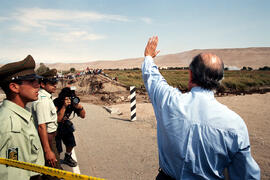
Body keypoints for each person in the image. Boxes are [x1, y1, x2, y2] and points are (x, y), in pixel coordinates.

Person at [142, 36, 260, 180]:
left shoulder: (169, 101)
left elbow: (153, 79)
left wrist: (148, 57)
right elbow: (246, 175)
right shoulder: (235, 124)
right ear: (220, 80)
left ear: (190, 74)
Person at [0, 55, 45, 180]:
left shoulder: (17, 113)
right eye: (31, 81)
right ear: (14, 87)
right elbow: (15, 175)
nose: (38, 85)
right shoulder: (13, 127)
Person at [27, 69, 62, 175]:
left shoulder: (46, 97)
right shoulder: (43, 100)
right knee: (54, 173)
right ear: (42, 84)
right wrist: (48, 151)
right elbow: (42, 126)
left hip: (50, 139)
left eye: (55, 82)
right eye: (52, 83)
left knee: (52, 171)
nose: (55, 85)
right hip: (48, 141)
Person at [53, 87, 85, 167]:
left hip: (65, 124)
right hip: (56, 125)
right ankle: (56, 162)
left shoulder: (73, 104)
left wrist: (80, 107)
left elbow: (83, 116)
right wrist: (64, 106)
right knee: (57, 147)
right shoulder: (57, 102)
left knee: (71, 142)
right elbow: (58, 119)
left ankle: (68, 156)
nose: (70, 99)